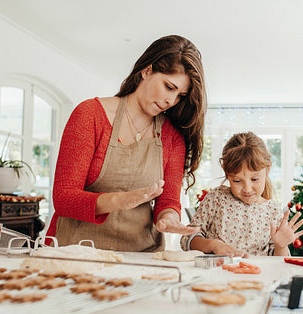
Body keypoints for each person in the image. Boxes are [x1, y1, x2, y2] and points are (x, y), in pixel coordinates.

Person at [46, 35, 206, 252]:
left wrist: (170, 218)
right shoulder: (90, 115)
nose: (172, 101)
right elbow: (63, 198)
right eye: (169, 87)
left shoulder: (172, 136)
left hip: (141, 257)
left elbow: (167, 201)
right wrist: (119, 201)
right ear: (147, 70)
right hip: (76, 252)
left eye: (180, 95)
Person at [180, 132, 303, 257]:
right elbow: (188, 239)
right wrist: (213, 245)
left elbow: (277, 263)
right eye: (237, 181)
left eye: (255, 179)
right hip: (218, 276)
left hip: (258, 277)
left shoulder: (272, 211)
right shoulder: (216, 198)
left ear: (267, 170)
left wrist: (281, 246)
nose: (247, 189)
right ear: (226, 173)